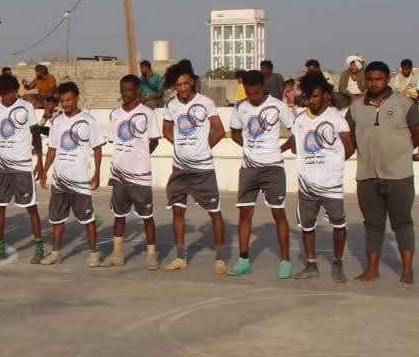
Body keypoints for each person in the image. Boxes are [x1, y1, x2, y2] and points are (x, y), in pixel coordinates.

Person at [347, 61, 419, 284]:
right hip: (367, 176)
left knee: (402, 223)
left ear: (387, 79)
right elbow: (349, 137)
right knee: (372, 224)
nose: (374, 83)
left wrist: (403, 152)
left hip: (399, 175)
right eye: (370, 79)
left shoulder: (404, 104)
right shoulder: (355, 108)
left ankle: (407, 271)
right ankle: (372, 270)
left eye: (378, 79)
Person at [285, 73, 354, 282]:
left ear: (326, 96)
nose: (311, 101)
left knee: (338, 224)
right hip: (306, 183)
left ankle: (337, 262)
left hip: (331, 183)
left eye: (315, 96)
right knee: (307, 225)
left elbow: (349, 148)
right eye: (308, 97)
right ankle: (311, 264)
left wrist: (331, 167)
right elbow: (296, 147)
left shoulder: (336, 119)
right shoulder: (300, 120)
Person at [161, 59, 227, 273]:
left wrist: (205, 147)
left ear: (192, 82)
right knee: (177, 211)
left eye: (185, 84)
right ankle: (180, 257)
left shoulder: (205, 103)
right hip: (180, 169)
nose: (182, 89)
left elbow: (220, 130)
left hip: (203, 169)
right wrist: (179, 145)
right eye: (178, 85)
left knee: (214, 212)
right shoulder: (171, 106)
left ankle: (220, 259)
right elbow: (166, 130)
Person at [228, 70, 295, 278]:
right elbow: (235, 132)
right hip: (248, 168)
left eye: (256, 93)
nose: (253, 97)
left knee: (278, 213)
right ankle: (243, 260)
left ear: (263, 88)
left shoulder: (278, 106)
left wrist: (282, 149)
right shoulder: (241, 107)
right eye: (249, 94)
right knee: (245, 214)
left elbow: (297, 131)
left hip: (273, 168)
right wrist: (247, 147)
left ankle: (285, 261)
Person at [38, 82, 104, 267]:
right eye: (62, 101)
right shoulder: (57, 122)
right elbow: (52, 149)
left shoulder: (88, 120)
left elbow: (97, 149)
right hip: (60, 179)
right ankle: (56, 253)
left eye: (69, 100)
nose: (66, 104)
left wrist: (97, 173)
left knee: (87, 218)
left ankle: (94, 253)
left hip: (80, 179)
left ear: (76, 98)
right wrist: (44, 171)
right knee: (57, 218)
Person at [0, 72, 46, 262]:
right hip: (2, 166)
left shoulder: (26, 107)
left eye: (9, 93)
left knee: (31, 207)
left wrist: (40, 162)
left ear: (15, 90)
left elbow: (35, 134)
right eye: (3, 93)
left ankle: (39, 248)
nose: (6, 97)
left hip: (21, 166)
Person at [108, 74, 160, 267]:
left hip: (140, 175)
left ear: (138, 90)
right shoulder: (115, 114)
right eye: (123, 90)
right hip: (119, 174)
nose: (125, 94)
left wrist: (142, 156)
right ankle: (117, 254)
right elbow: (114, 140)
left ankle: (152, 255)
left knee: (147, 217)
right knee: (119, 215)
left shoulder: (147, 113)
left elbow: (154, 140)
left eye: (129, 90)